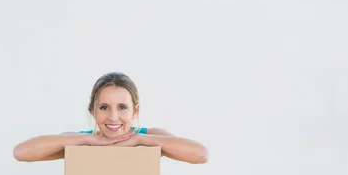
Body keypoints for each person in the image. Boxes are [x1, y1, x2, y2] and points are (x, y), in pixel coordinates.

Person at [13, 72, 209, 164]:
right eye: (104, 107)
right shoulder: (81, 141)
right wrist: (88, 139)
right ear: (93, 111)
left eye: (122, 107)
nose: (113, 117)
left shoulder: (149, 137)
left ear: (135, 112)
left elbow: (201, 155)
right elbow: (21, 152)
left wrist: (140, 140)